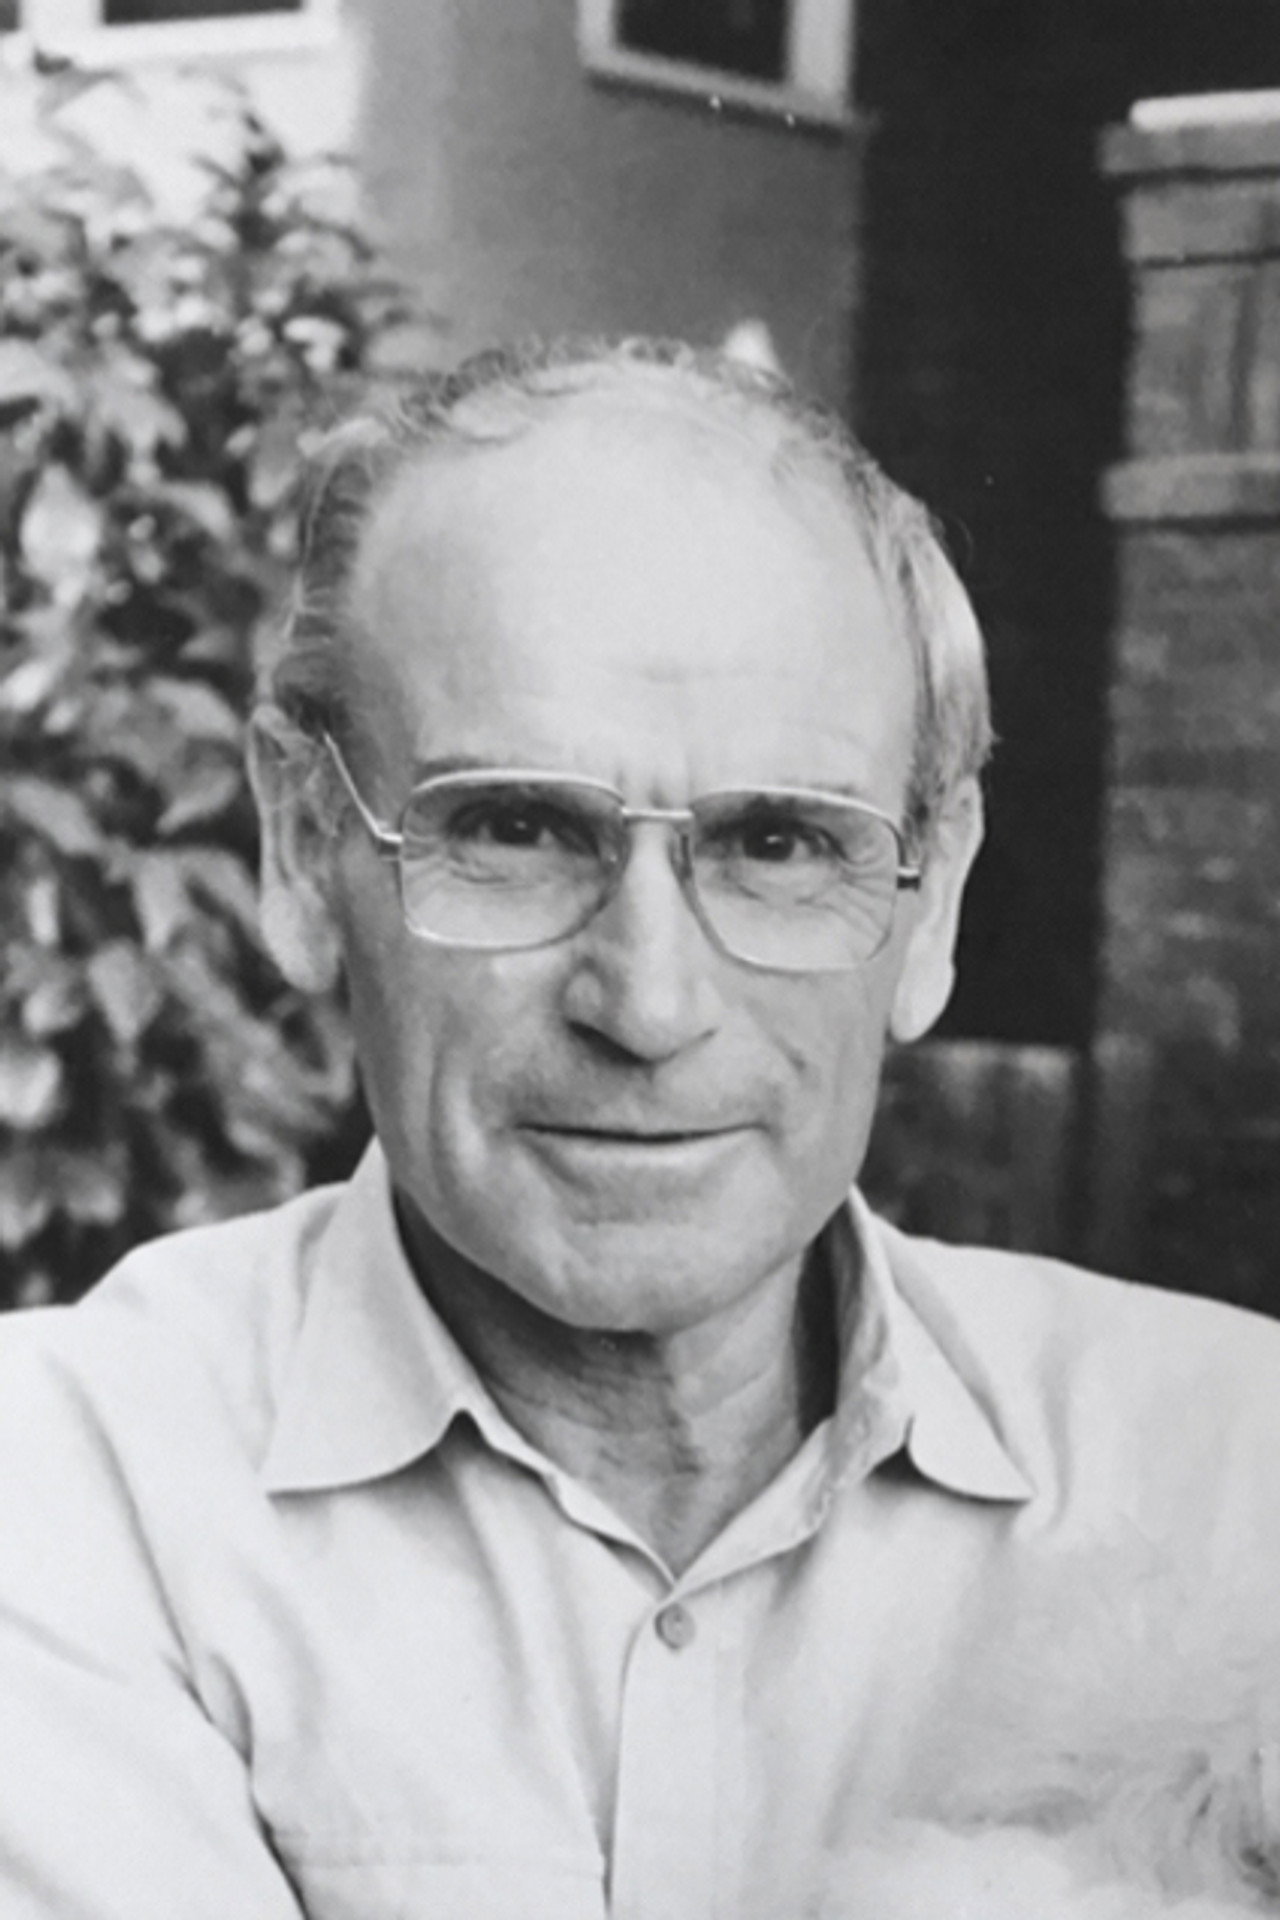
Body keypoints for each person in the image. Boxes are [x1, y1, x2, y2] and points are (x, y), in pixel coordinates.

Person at [1, 338, 1278, 1920]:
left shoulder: (1240, 1476)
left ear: (932, 900)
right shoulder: (64, 1495)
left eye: (779, 843)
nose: (651, 1003)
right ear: (305, 846)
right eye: (516, 827)